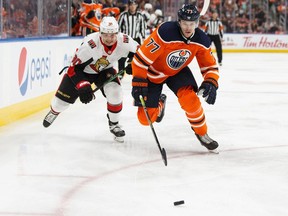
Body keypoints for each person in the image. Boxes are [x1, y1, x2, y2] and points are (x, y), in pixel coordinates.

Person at [130, 4, 220, 151]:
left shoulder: (201, 39)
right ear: (179, 21)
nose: (188, 28)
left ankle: (202, 133)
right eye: (185, 23)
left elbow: (210, 66)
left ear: (197, 23)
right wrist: (138, 82)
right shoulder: (165, 32)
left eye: (192, 24)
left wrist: (211, 82)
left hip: (177, 71)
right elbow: (140, 59)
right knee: (145, 119)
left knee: (190, 100)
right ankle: (160, 103)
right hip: (153, 72)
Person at [43, 16, 139, 142]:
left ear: (117, 33)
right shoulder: (90, 45)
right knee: (59, 104)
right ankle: (54, 112)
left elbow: (141, 54)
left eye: (112, 35)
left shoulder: (125, 41)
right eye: (105, 35)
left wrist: (134, 63)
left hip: (104, 71)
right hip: (82, 72)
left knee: (115, 92)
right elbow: (73, 68)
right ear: (100, 33)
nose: (109, 39)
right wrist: (83, 86)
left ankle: (114, 124)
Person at [117, 0, 146, 75]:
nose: (133, 6)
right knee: (122, 58)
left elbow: (142, 27)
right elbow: (118, 27)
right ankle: (120, 74)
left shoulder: (140, 15)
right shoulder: (123, 15)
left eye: (134, 4)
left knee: (137, 59)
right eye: (131, 5)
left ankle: (135, 73)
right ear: (128, 6)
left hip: (136, 40)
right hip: (125, 40)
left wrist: (143, 38)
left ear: (137, 6)